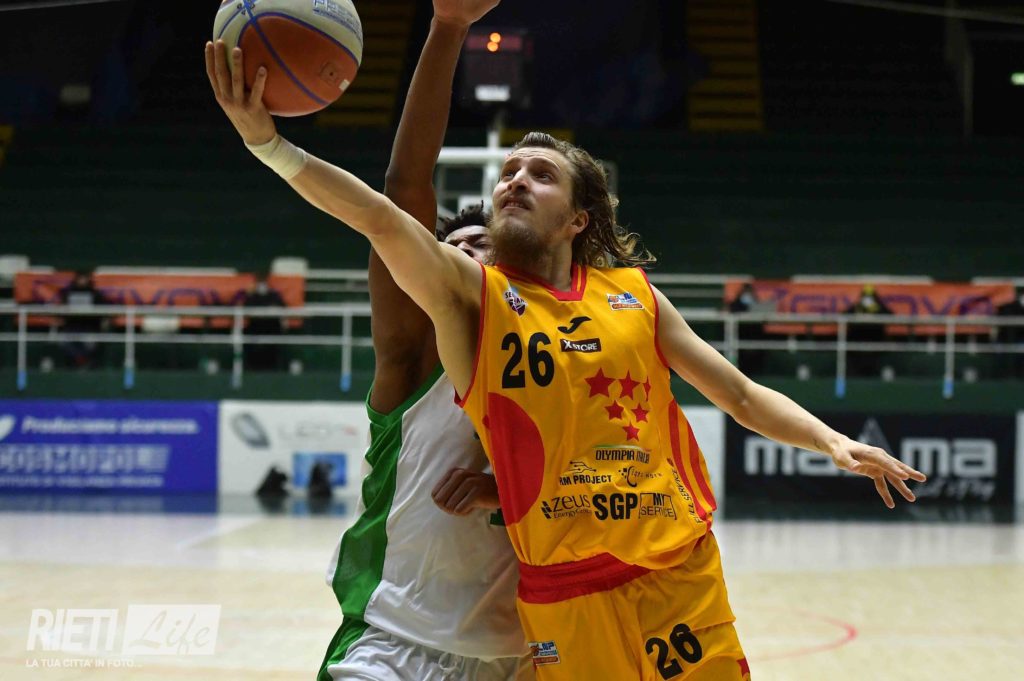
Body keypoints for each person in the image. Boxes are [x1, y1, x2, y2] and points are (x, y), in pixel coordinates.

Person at [206, 36, 928, 680]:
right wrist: (270, 145)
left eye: (540, 174)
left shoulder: (635, 297)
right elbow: (384, 213)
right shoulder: (473, 300)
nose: (515, 179)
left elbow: (737, 393)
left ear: (579, 218)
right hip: (551, 596)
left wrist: (832, 441)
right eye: (507, 172)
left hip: (673, 572)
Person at [208, 3, 528, 680]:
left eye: (485, 247)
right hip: (395, 645)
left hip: (525, 654)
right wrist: (448, 28)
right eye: (453, 246)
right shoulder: (414, 352)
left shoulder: (550, 356)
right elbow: (404, 189)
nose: (468, 255)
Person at [58, 270, 108, 368]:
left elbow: (102, 311)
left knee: (90, 343)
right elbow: (62, 310)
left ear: (89, 279)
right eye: (80, 278)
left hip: (89, 327)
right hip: (71, 327)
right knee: (64, 341)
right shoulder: (68, 293)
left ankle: (85, 363)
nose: (82, 280)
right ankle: (76, 363)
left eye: (84, 278)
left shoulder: (95, 294)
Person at [844, 284, 893, 377]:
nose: (868, 299)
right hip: (857, 342)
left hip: (876, 341)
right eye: (866, 296)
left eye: (870, 296)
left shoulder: (878, 307)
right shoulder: (857, 307)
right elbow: (844, 315)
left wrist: (876, 308)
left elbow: (890, 314)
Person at [241, 272, 287, 371]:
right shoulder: (251, 296)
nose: (261, 285)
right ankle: (250, 367)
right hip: (255, 326)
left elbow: (282, 308)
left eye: (263, 281)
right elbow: (247, 310)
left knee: (277, 334)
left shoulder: (274, 295)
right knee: (246, 334)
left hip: (272, 326)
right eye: (259, 282)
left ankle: (276, 367)